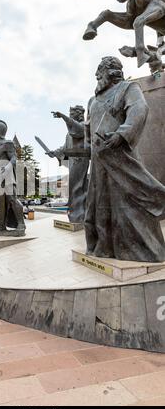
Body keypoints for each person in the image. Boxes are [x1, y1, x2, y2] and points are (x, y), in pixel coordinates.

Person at [85, 56, 165, 262]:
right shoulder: (92, 100)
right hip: (98, 159)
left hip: (119, 156)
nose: (96, 76)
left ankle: (140, 250)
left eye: (99, 72)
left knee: (126, 205)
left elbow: (140, 110)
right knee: (98, 204)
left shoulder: (128, 88)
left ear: (111, 72)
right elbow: (89, 128)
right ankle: (103, 247)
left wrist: (122, 134)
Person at [48, 105, 90, 223]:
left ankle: (79, 214)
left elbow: (77, 130)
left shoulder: (84, 126)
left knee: (77, 186)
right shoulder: (68, 134)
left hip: (80, 159)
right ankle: (78, 212)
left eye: (72, 114)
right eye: (69, 114)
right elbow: (64, 147)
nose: (70, 116)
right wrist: (54, 153)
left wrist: (63, 117)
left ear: (79, 114)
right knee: (75, 186)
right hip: (72, 161)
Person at [0, 120, 26, 236]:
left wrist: (8, 167)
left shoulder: (7, 143)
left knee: (12, 199)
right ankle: (1, 225)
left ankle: (21, 224)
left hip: (7, 175)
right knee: (0, 202)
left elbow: (14, 158)